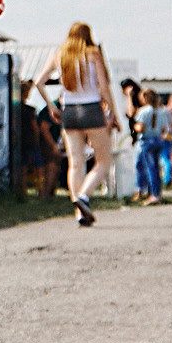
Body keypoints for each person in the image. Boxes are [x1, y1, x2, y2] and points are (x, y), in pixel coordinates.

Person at [32, 22, 116, 226]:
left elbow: (38, 81)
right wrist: (112, 112)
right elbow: (104, 87)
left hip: (69, 112)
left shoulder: (60, 55)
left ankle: (79, 213)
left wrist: (51, 106)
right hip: (91, 110)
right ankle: (84, 196)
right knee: (103, 161)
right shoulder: (93, 53)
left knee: (75, 163)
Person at [132, 87, 161, 204]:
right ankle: (149, 191)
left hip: (146, 141)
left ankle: (151, 193)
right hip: (157, 140)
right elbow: (164, 128)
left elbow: (141, 127)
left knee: (147, 168)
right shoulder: (160, 111)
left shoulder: (143, 111)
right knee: (152, 167)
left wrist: (135, 127)